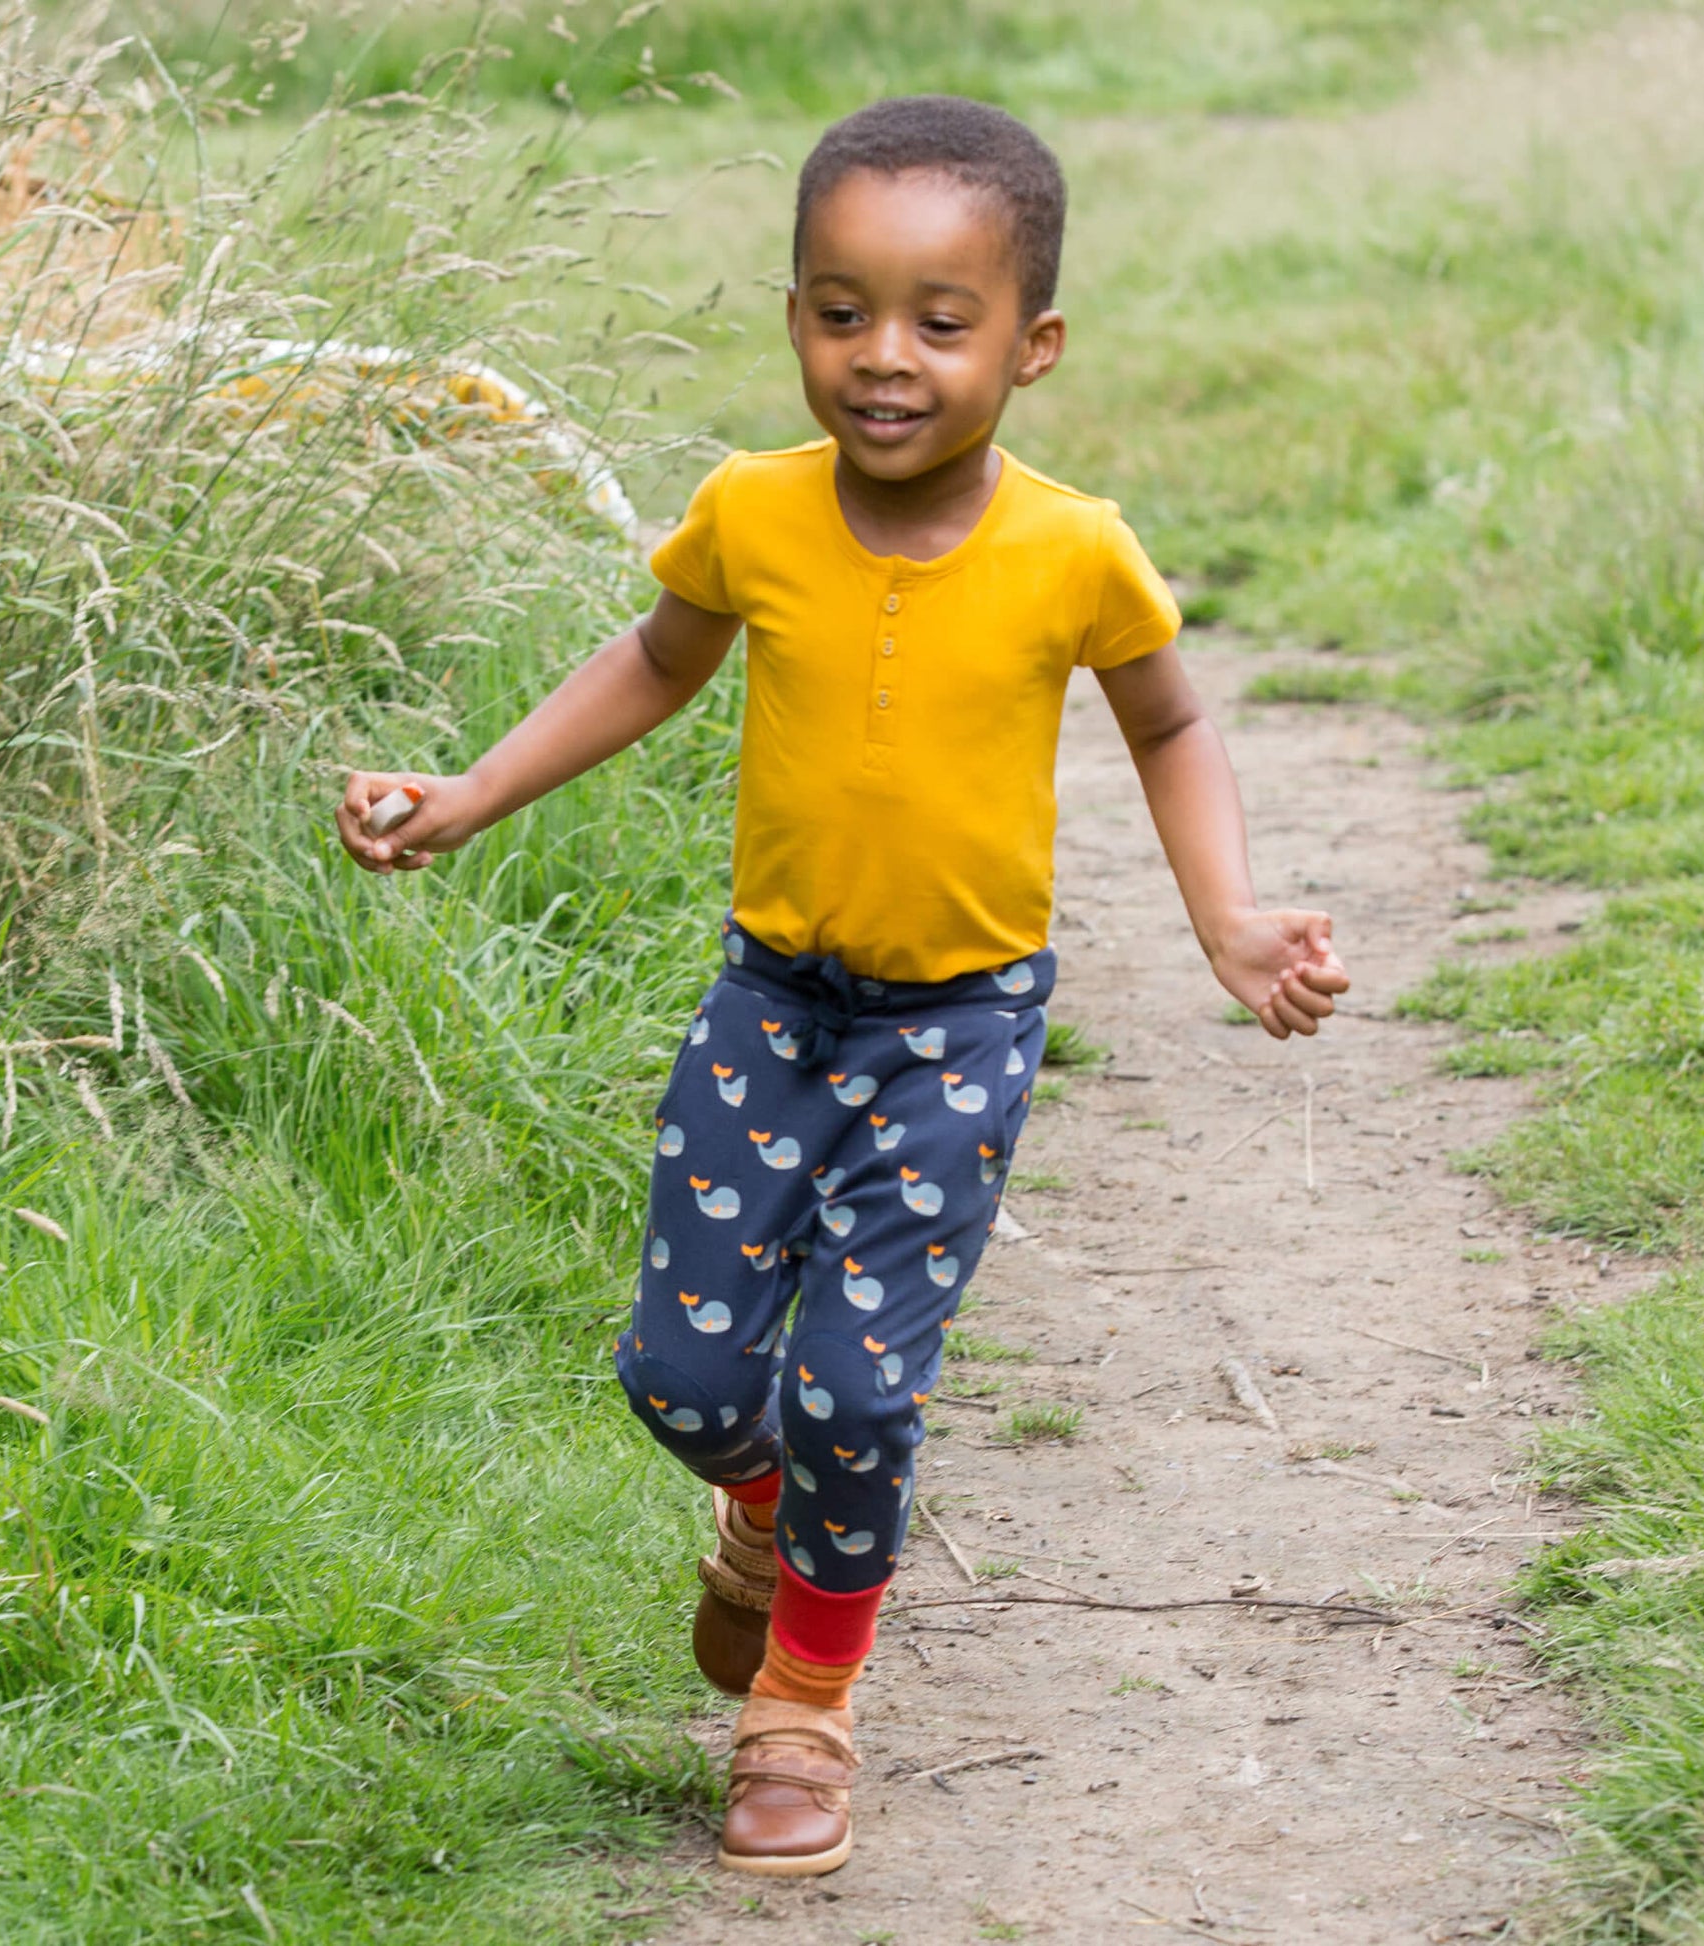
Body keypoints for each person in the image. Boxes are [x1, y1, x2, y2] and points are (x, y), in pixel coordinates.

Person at [335, 94, 1350, 1879]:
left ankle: (803, 1701)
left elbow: (1171, 724)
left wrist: (1228, 919)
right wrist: (471, 794)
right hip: (770, 1009)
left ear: (1030, 346)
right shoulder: (751, 512)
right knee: (679, 1372)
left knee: (858, 1394)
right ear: (793, 315)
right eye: (837, 310)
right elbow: (654, 660)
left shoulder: (1072, 548)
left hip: (959, 1026)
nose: (883, 357)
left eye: (940, 322)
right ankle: (773, 1516)